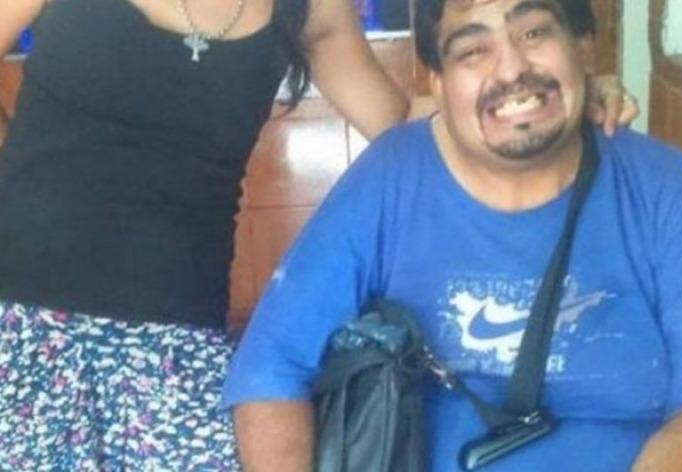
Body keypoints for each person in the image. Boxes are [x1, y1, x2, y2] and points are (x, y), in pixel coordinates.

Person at [0, 0, 635, 470]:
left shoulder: (309, 8)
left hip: (174, 335)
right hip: (17, 312)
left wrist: (552, 97)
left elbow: (400, 123)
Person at [222, 0, 682, 471]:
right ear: (438, 84)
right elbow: (271, 370)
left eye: (534, 33)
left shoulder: (668, 191)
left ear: (584, 49)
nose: (511, 68)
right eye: (473, 50)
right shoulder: (387, 180)